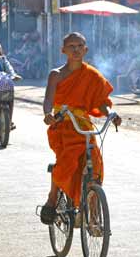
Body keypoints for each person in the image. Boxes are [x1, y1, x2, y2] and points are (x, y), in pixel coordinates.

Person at [40, 32, 122, 225]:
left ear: (85, 49)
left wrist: (111, 113)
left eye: (79, 46)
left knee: (94, 166)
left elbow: (102, 102)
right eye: (71, 46)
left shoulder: (92, 75)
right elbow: (48, 100)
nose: (76, 50)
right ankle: (53, 197)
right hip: (62, 124)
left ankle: (92, 217)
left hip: (83, 125)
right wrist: (47, 114)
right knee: (66, 161)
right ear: (63, 50)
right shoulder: (56, 74)